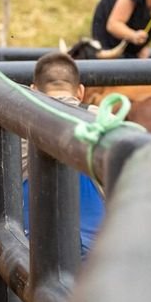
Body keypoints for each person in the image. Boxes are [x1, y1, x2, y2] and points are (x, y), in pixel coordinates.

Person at [26, 51, 106, 256]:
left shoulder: (10, 120)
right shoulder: (104, 121)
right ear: (80, 91)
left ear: (33, 90)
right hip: (97, 257)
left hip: (28, 252)